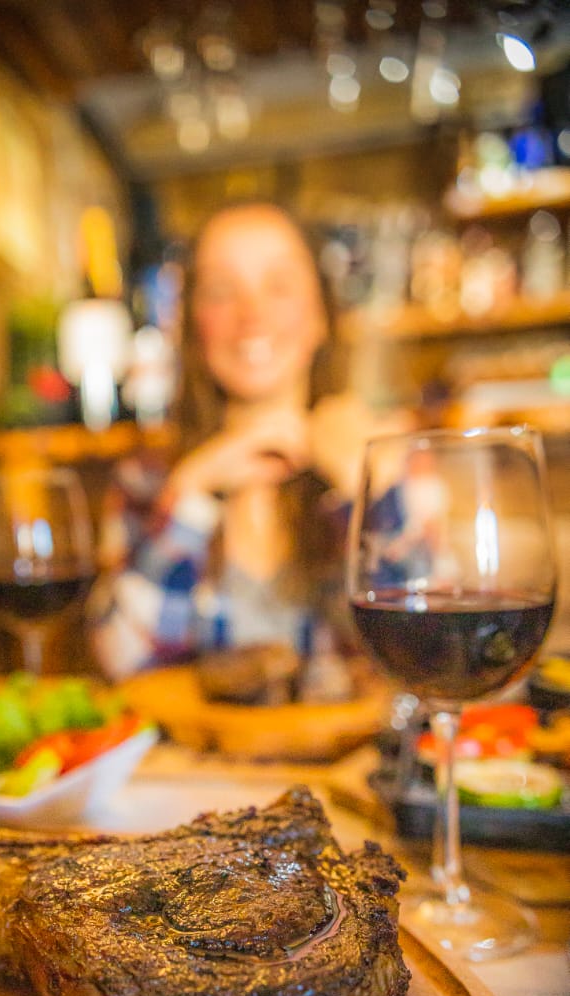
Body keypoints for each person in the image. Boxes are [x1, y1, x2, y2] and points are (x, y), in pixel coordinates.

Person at [90, 200, 412, 682]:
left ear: (322, 314)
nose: (252, 314)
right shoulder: (147, 481)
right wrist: (192, 491)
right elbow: (123, 661)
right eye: (221, 291)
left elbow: (437, 660)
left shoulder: (396, 458)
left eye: (279, 286)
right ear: (192, 325)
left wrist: (366, 497)